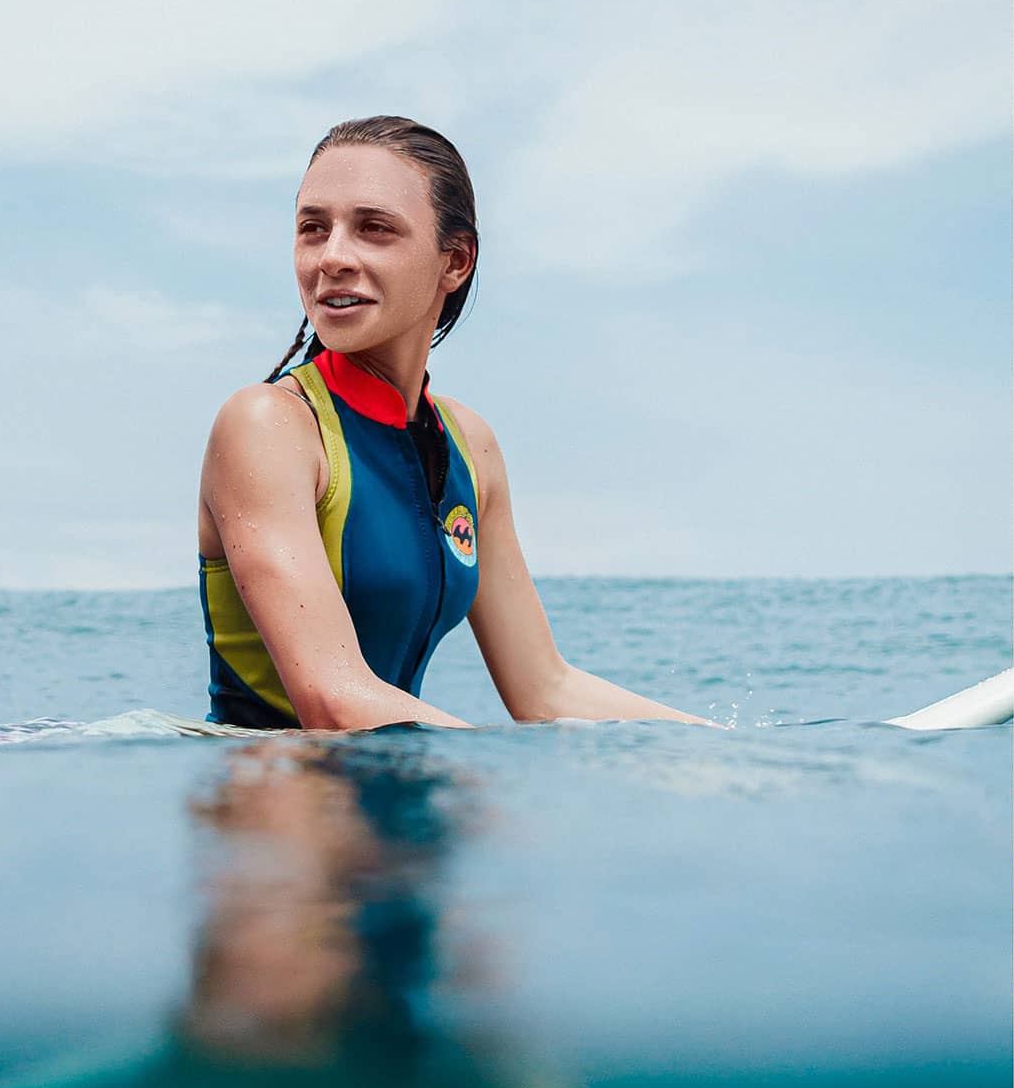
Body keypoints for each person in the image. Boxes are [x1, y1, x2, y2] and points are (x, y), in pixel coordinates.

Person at [199, 116, 715, 732]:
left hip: (405, 807)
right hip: (278, 815)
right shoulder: (268, 426)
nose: (332, 257)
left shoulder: (471, 447)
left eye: (374, 229)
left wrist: (721, 748)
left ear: (456, 261)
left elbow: (544, 688)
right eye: (313, 228)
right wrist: (493, 772)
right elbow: (333, 700)